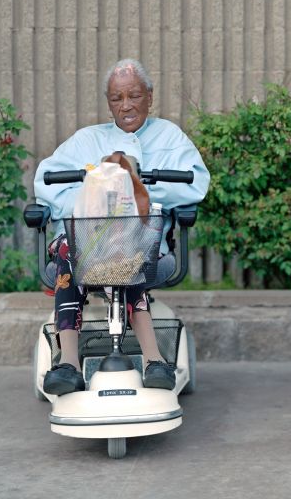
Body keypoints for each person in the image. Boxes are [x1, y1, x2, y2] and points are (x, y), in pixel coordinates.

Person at [34, 58, 210, 395]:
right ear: (108, 101)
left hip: (148, 250)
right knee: (78, 244)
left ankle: (154, 362)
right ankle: (69, 364)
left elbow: (196, 184)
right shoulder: (86, 141)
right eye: (117, 98)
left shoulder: (170, 137)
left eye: (134, 96)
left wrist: (135, 189)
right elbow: (45, 182)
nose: (126, 106)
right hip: (81, 247)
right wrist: (96, 195)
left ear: (150, 96)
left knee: (127, 243)